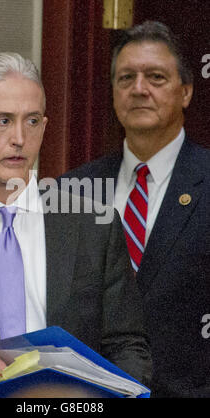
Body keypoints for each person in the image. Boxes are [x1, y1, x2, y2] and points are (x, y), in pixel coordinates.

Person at [0, 52, 151, 397]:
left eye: (32, 121)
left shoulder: (95, 225)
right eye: (3, 121)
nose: (20, 138)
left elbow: (128, 346)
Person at [60, 21, 210, 397]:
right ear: (113, 92)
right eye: (126, 78)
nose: (139, 89)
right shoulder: (69, 192)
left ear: (186, 91)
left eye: (156, 77)